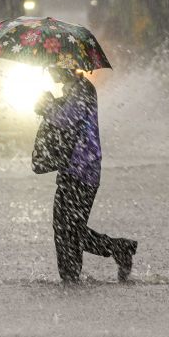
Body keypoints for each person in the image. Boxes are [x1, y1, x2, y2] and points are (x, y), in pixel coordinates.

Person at [35, 67, 138, 282]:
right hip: (70, 170)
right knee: (65, 226)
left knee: (69, 228)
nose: (50, 72)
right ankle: (114, 250)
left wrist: (47, 106)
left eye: (54, 67)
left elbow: (67, 119)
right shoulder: (72, 91)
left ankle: (72, 276)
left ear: (66, 66)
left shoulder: (83, 90)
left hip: (83, 171)